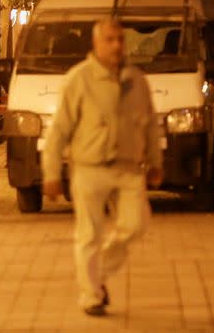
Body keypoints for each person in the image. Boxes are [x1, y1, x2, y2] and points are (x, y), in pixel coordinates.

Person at [42, 18, 163, 317]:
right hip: (89, 167)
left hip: (128, 168)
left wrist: (155, 163)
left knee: (136, 224)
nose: (116, 45)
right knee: (89, 235)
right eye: (109, 39)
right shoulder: (79, 79)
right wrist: (52, 173)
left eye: (120, 39)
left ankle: (98, 274)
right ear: (96, 43)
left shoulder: (136, 80)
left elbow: (149, 124)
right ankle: (91, 295)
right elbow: (58, 130)